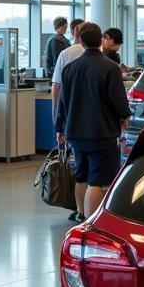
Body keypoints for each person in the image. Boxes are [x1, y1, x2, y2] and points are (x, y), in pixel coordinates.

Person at [55, 22, 130, 222]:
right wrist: (124, 115)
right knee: (96, 179)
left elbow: (63, 101)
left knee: (82, 174)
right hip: (101, 131)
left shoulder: (70, 68)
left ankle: (80, 214)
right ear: (100, 41)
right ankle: (91, 222)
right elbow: (118, 99)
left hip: (75, 131)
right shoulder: (110, 67)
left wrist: (59, 127)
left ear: (81, 40)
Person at [51, 17, 85, 126]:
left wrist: (55, 112)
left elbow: (56, 84)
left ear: (74, 33)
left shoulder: (66, 53)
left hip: (69, 105)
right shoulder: (101, 57)